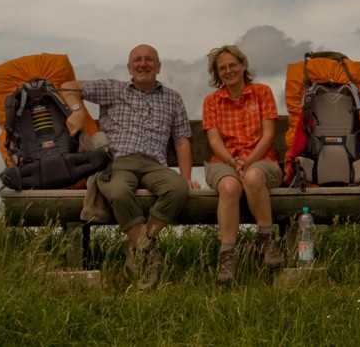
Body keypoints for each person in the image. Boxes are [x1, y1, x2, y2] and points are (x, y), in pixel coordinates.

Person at [60, 44, 199, 288]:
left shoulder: (173, 98)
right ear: (129, 67)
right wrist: (77, 110)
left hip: (154, 163)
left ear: (158, 66)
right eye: (137, 60)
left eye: (149, 60)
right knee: (118, 190)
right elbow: (67, 87)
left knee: (177, 188)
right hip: (118, 160)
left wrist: (186, 176)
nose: (143, 64)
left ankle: (137, 243)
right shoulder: (113, 89)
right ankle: (148, 252)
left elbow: (181, 140)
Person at [202, 44, 284, 285]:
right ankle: (227, 255)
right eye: (222, 68)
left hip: (261, 159)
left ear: (243, 65)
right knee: (229, 187)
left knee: (253, 178)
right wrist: (232, 161)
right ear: (217, 74)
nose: (228, 71)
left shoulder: (262, 92)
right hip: (224, 160)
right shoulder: (212, 101)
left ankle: (267, 241)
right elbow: (214, 140)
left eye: (233, 65)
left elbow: (268, 135)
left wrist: (248, 161)